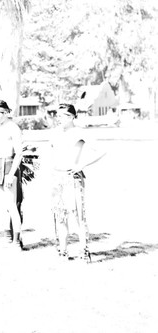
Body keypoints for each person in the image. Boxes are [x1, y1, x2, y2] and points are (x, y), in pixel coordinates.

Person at [48, 103, 105, 262]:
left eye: (64, 115)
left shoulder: (78, 132)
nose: (60, 119)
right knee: (60, 216)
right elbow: (52, 153)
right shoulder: (54, 133)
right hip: (57, 178)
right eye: (58, 116)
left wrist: (82, 164)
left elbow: (101, 149)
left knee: (78, 217)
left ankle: (84, 251)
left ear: (72, 116)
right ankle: (63, 251)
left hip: (72, 178)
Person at [0, 100, 24, 249]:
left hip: (9, 165)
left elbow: (19, 153)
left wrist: (10, 174)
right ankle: (8, 237)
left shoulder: (13, 128)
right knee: (4, 206)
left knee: (12, 205)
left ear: (5, 113)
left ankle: (17, 241)